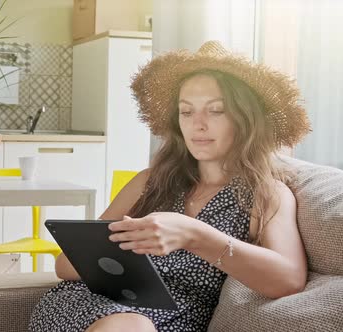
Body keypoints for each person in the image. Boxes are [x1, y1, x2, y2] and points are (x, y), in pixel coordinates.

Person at [29, 41, 311, 332]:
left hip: (172, 321)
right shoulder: (149, 183)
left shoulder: (267, 194)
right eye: (186, 112)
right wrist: (120, 251)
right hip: (92, 305)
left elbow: (288, 279)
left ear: (246, 119)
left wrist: (194, 235)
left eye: (215, 111)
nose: (197, 124)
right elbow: (64, 265)